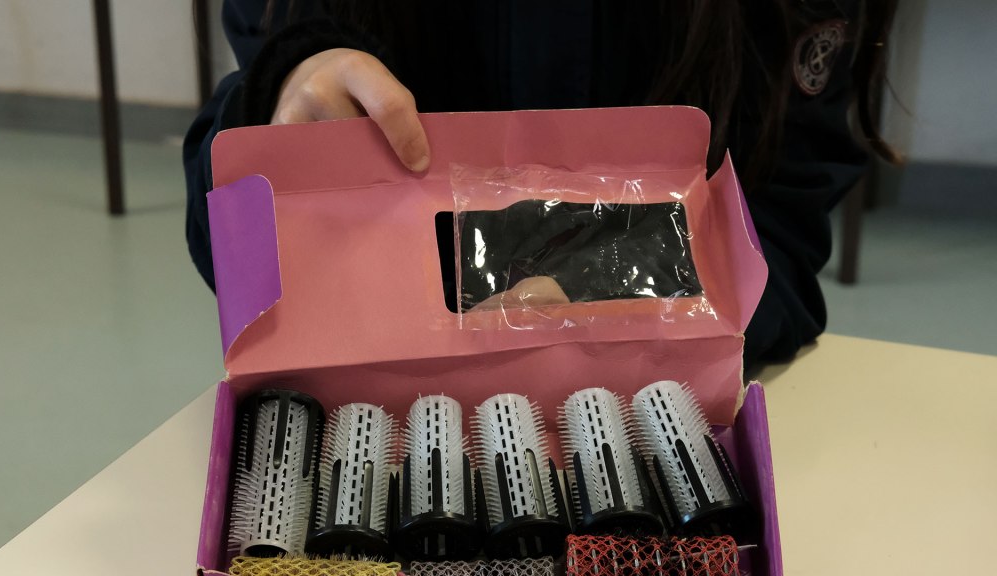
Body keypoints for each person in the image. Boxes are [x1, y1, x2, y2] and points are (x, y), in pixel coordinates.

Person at [183, 0, 899, 365]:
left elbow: (776, 231)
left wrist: (621, 292)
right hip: (370, 396)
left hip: (659, 409)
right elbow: (238, 250)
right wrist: (286, 97)